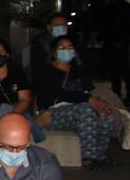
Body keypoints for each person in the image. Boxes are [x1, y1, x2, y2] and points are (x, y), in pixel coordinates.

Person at [34, 35, 118, 168]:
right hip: (54, 114)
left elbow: (89, 91)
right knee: (86, 111)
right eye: (62, 48)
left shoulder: (79, 71)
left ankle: (100, 154)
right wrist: (87, 99)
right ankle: (88, 157)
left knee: (106, 114)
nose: (66, 50)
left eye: (69, 47)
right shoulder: (46, 71)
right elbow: (54, 95)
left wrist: (97, 101)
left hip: (80, 109)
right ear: (54, 52)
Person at [100, 0, 129, 100]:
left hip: (124, 46)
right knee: (114, 73)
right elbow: (104, 26)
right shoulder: (107, 7)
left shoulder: (126, 7)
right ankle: (116, 95)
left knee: (126, 72)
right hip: (111, 45)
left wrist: (122, 41)